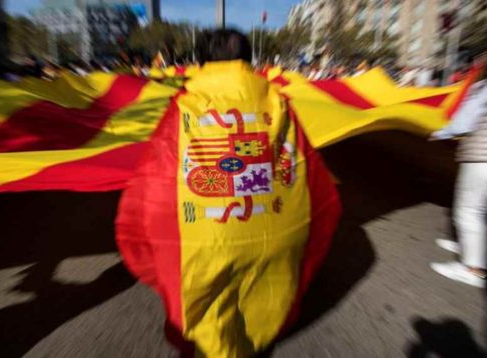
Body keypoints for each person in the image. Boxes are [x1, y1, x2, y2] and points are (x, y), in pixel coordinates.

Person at [116, 29, 340, 357]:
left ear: (202, 61)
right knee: (259, 295)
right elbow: (306, 168)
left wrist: (148, 232)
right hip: (273, 235)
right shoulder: (278, 102)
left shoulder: (184, 107)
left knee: (208, 310)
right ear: (248, 59)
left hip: (205, 242)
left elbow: (157, 180)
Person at [429, 35, 487, 288]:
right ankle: (466, 244)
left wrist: (441, 133)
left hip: (486, 159)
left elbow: (466, 121)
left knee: (469, 211)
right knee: (482, 207)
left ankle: (472, 268)